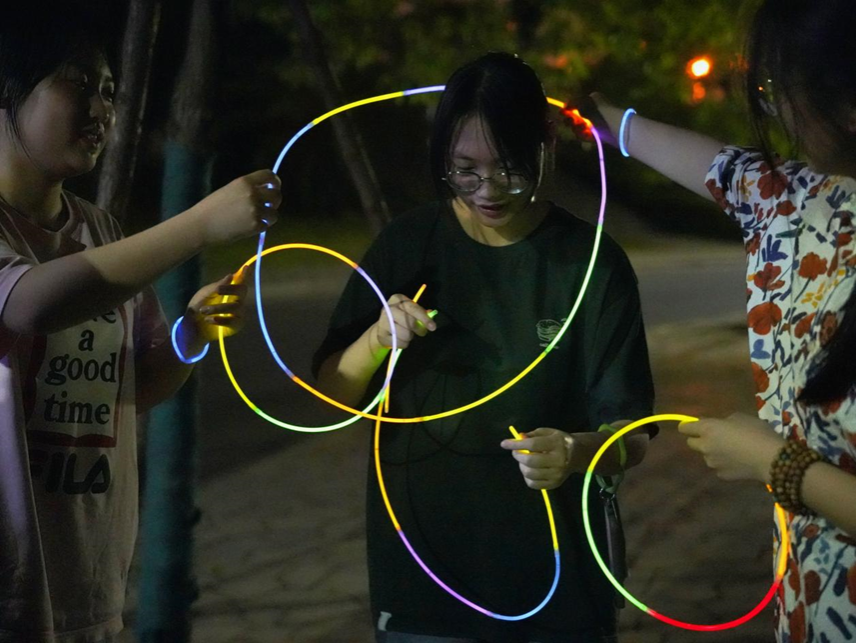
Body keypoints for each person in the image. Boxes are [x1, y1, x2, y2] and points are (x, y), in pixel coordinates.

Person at [314, 52, 656, 643]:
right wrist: (376, 339)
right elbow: (330, 393)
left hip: (558, 593)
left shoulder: (592, 263)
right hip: (424, 588)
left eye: (510, 168)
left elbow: (633, 435)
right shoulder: (406, 246)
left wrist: (575, 451)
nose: (488, 190)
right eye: (464, 170)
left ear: (547, 143)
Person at [0, 2, 282, 641]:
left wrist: (191, 334)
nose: (101, 108)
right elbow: (29, 305)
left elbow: (130, 386)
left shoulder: (98, 229)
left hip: (87, 588)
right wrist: (200, 223)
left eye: (109, 91)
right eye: (77, 83)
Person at [580, 0, 856, 640]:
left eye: (784, 88)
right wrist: (595, 119)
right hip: (808, 606)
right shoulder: (795, 197)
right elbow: (703, 162)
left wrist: (778, 466)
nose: (776, 110)